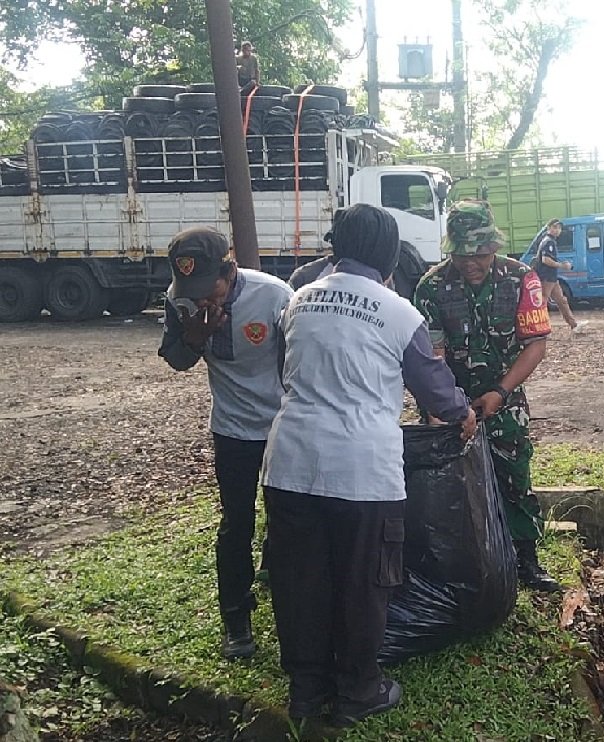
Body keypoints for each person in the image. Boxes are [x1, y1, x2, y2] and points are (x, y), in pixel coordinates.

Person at [261, 204, 476, 725]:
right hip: (362, 472)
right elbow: (435, 390)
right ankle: (359, 690)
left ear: (337, 247)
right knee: (363, 583)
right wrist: (464, 413)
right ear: (389, 255)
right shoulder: (399, 312)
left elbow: (282, 368)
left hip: (289, 463)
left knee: (300, 579)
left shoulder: (298, 300)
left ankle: (306, 692)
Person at [157, 227, 293, 659]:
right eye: (191, 291)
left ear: (230, 271)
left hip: (282, 428)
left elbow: (300, 364)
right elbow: (176, 359)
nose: (200, 299)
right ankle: (236, 621)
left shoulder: (274, 296)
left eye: (208, 289)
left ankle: (288, 601)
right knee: (236, 525)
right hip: (232, 430)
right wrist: (194, 336)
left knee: (288, 520)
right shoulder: (179, 301)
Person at [414, 200, 562, 593]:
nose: (470, 263)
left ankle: (526, 558)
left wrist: (499, 391)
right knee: (450, 485)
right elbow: (433, 356)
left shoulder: (522, 280)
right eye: (461, 254)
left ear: (494, 246)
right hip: (448, 402)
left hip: (504, 398)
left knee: (514, 477)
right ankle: (461, 562)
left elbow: (535, 345)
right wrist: (443, 409)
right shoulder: (430, 288)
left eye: (479, 253)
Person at [534, 218, 587, 333]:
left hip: (551, 277)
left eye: (559, 228)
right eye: (554, 227)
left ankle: (574, 325)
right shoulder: (549, 242)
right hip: (546, 277)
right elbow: (545, 260)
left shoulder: (548, 241)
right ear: (548, 228)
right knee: (543, 302)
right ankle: (536, 328)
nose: (557, 230)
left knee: (561, 301)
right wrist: (562, 265)